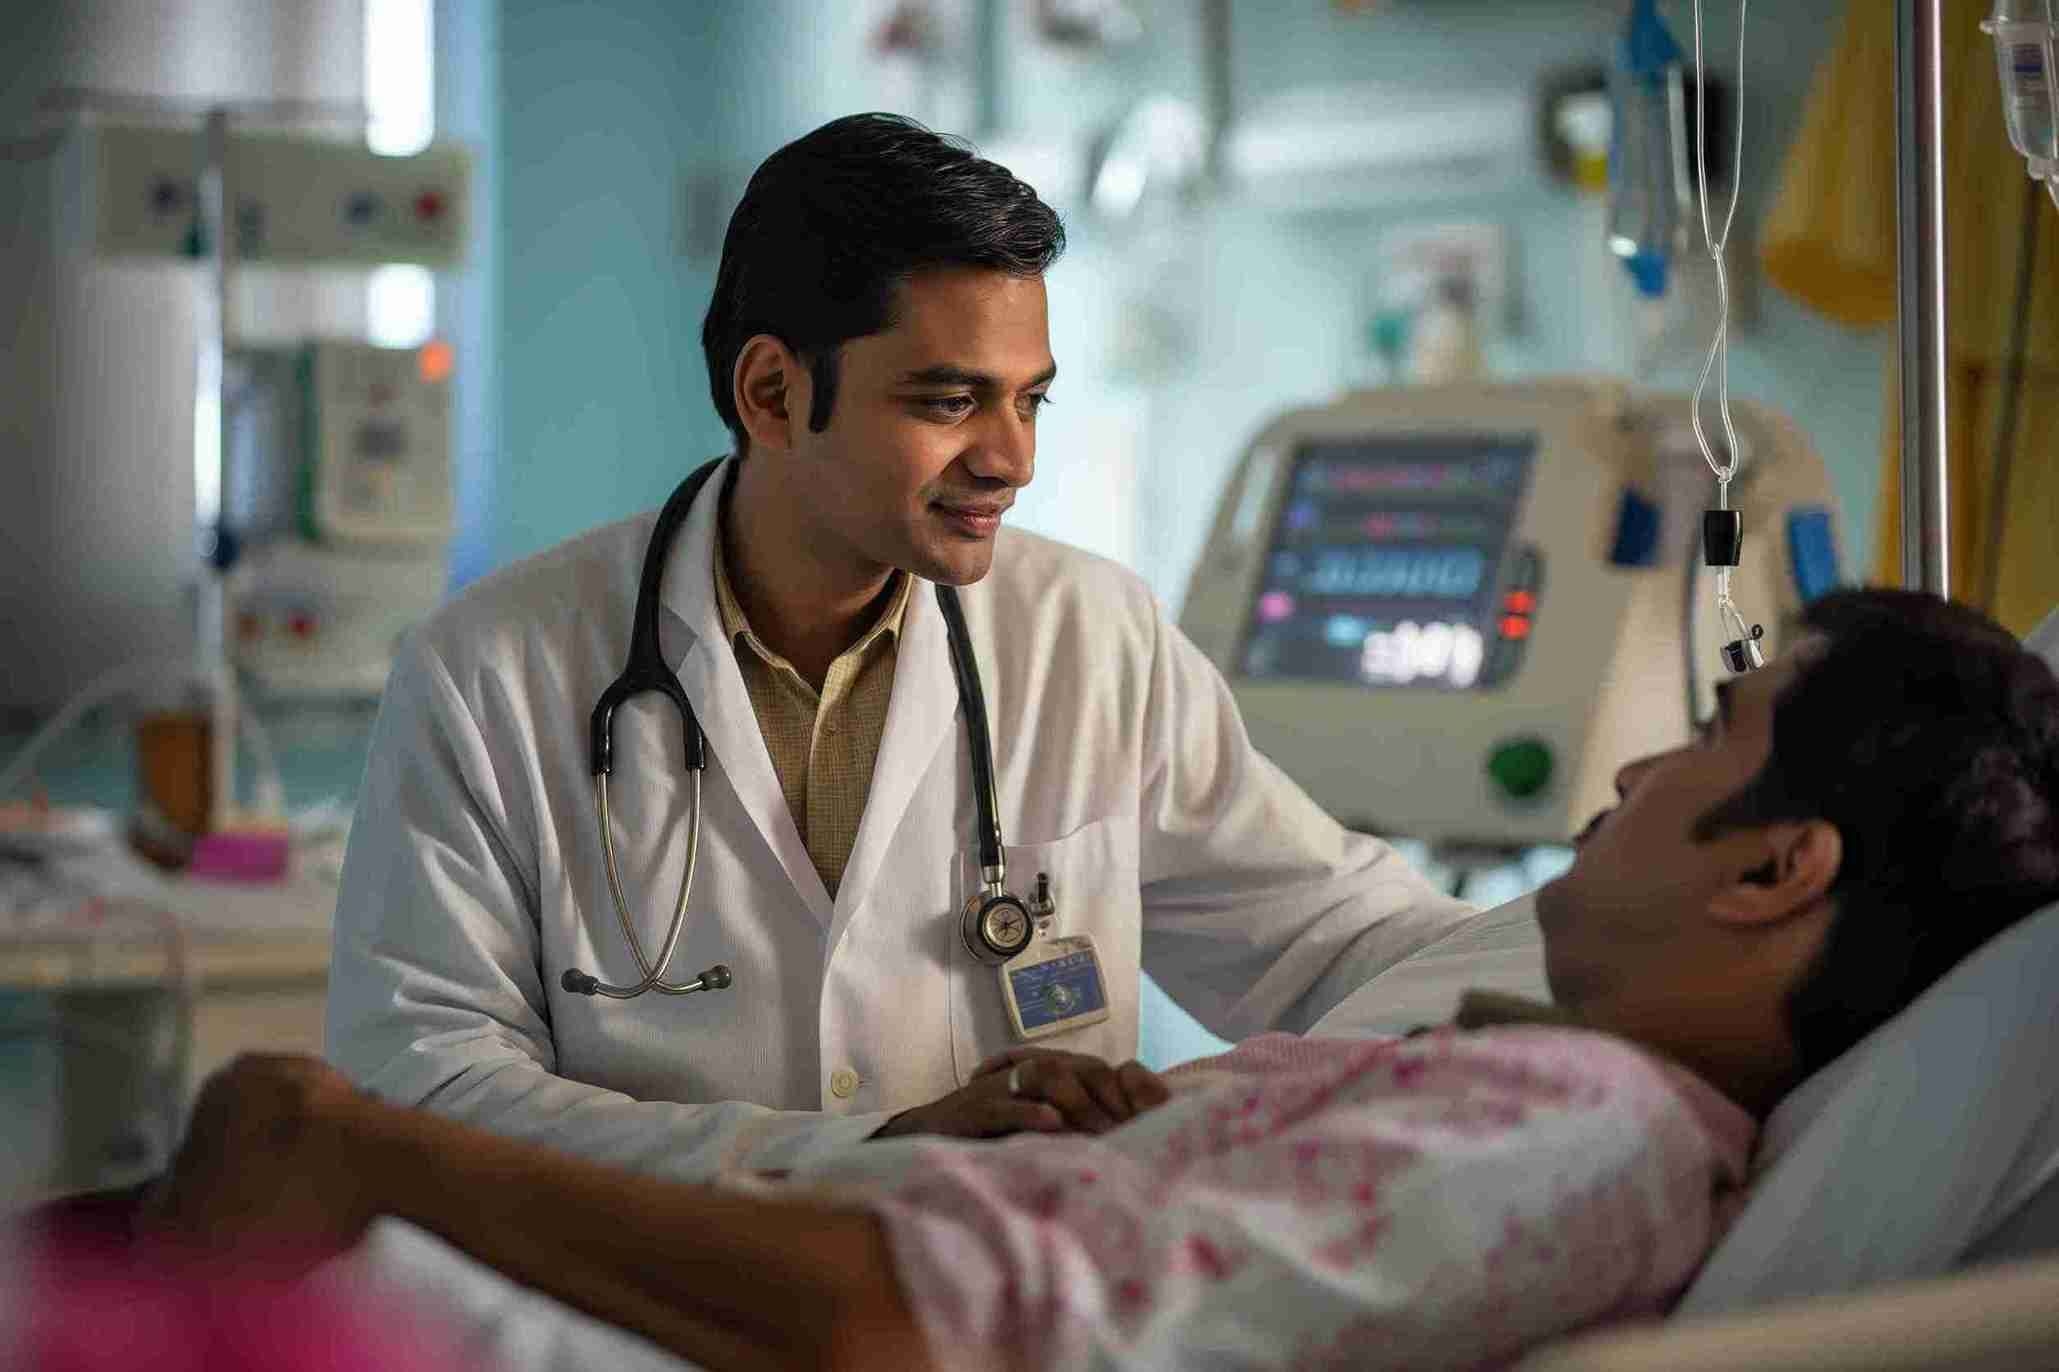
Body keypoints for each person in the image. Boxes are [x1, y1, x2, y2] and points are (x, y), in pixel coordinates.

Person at [140, 589, 2059, 1369]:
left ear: (1778, 866)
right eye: (948, 393)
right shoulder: (1524, 1072)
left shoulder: (1575, 1132)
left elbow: (913, 1329)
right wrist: (979, 1137)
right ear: (773, 389)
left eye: (1710, 732)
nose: (1635, 768)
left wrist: (377, 1153)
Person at [323, 111, 1474, 1181]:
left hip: (999, 1311)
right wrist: (869, 1149)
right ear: (772, 394)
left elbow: (1335, 938)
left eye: (1031, 401)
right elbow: (423, 1084)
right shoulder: (491, 674)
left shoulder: (1088, 636)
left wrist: (1602, 951)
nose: (1011, 458)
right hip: (650, 1320)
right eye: (948, 400)